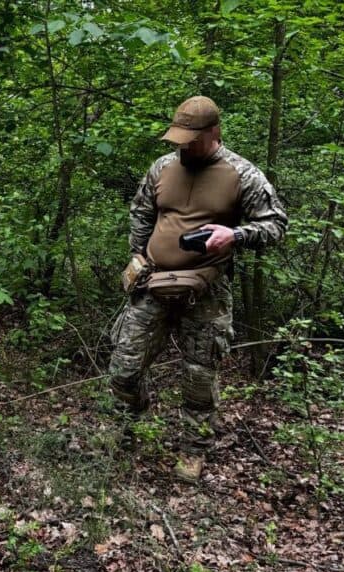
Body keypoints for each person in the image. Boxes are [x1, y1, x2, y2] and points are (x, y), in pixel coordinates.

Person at [108, 95, 287, 482]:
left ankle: (194, 449)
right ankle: (131, 424)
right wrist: (139, 255)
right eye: (179, 139)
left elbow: (275, 225)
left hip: (205, 292)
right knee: (123, 369)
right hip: (152, 285)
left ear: (214, 132)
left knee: (199, 375)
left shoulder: (243, 174)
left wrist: (235, 234)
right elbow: (141, 212)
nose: (184, 146)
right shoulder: (163, 167)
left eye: (192, 139)